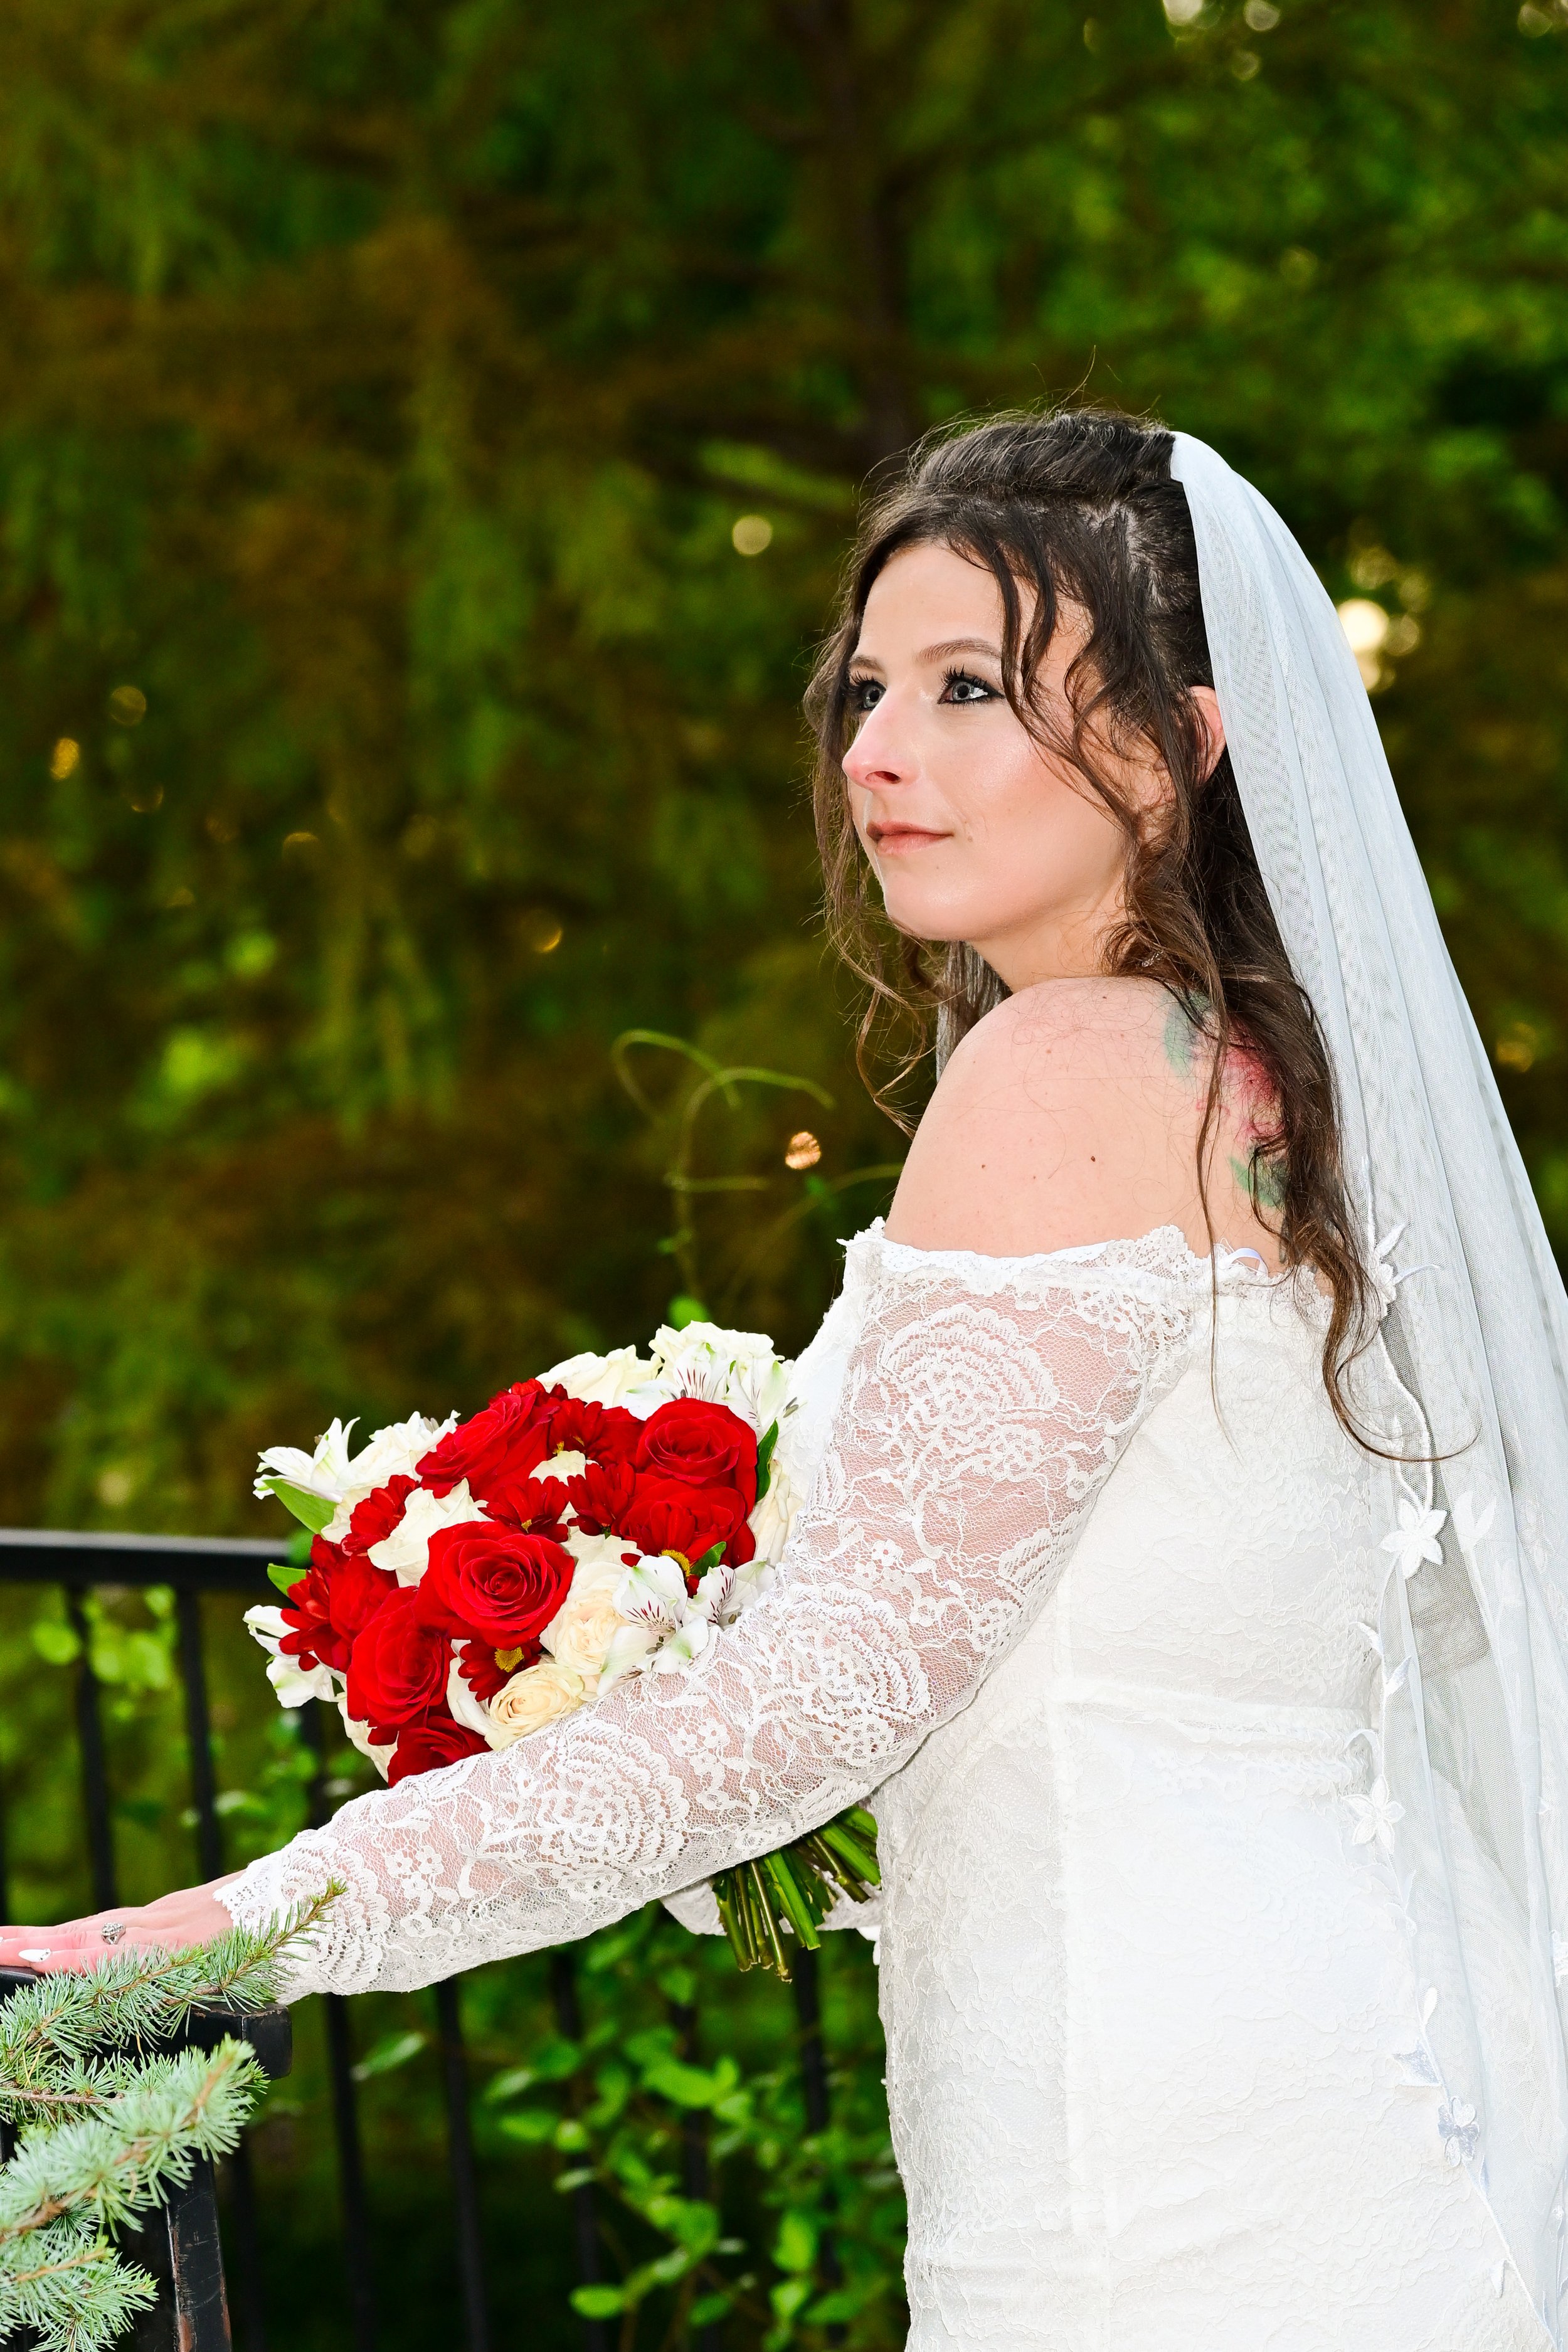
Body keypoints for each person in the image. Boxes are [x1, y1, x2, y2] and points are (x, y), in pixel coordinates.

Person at [4, 409, 1565, 2351]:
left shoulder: (1067, 1066)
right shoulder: (1257, 1077)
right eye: (866, 687)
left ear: (1179, 748)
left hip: (1157, 2158)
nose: (876, 752)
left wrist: (239, 1925)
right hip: (1356, 2055)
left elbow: (825, 1700)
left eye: (972, 688)